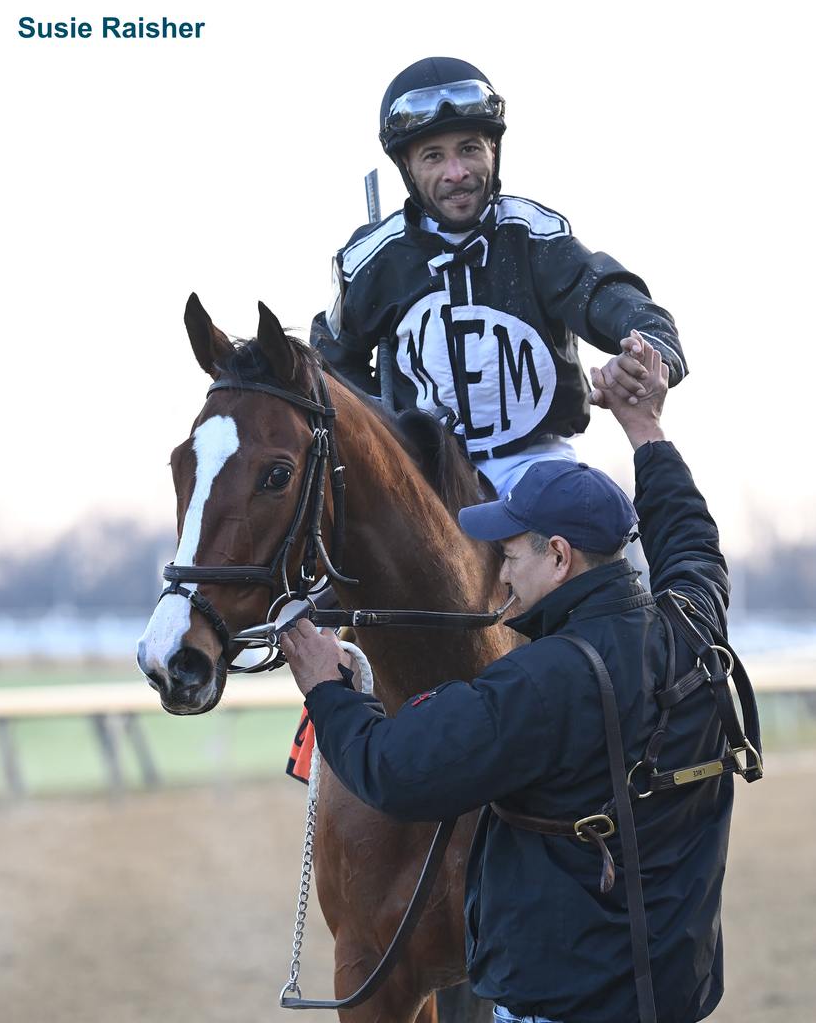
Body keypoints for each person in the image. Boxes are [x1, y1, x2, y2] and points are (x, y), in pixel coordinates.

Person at [280, 337, 759, 1022]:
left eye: (507, 552)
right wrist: (645, 430)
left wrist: (326, 687)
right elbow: (689, 540)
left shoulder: (541, 681)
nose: (498, 572)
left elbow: (392, 771)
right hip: (675, 994)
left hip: (560, 1005)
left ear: (558, 556)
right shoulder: (690, 620)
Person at [312, 56, 688, 497]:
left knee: (601, 516)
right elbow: (329, 364)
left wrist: (642, 355)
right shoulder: (370, 260)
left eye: (470, 148)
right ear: (407, 168)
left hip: (541, 469)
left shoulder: (539, 240)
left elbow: (620, 302)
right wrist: (385, 427)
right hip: (425, 483)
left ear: (494, 149)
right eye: (434, 156)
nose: (457, 173)